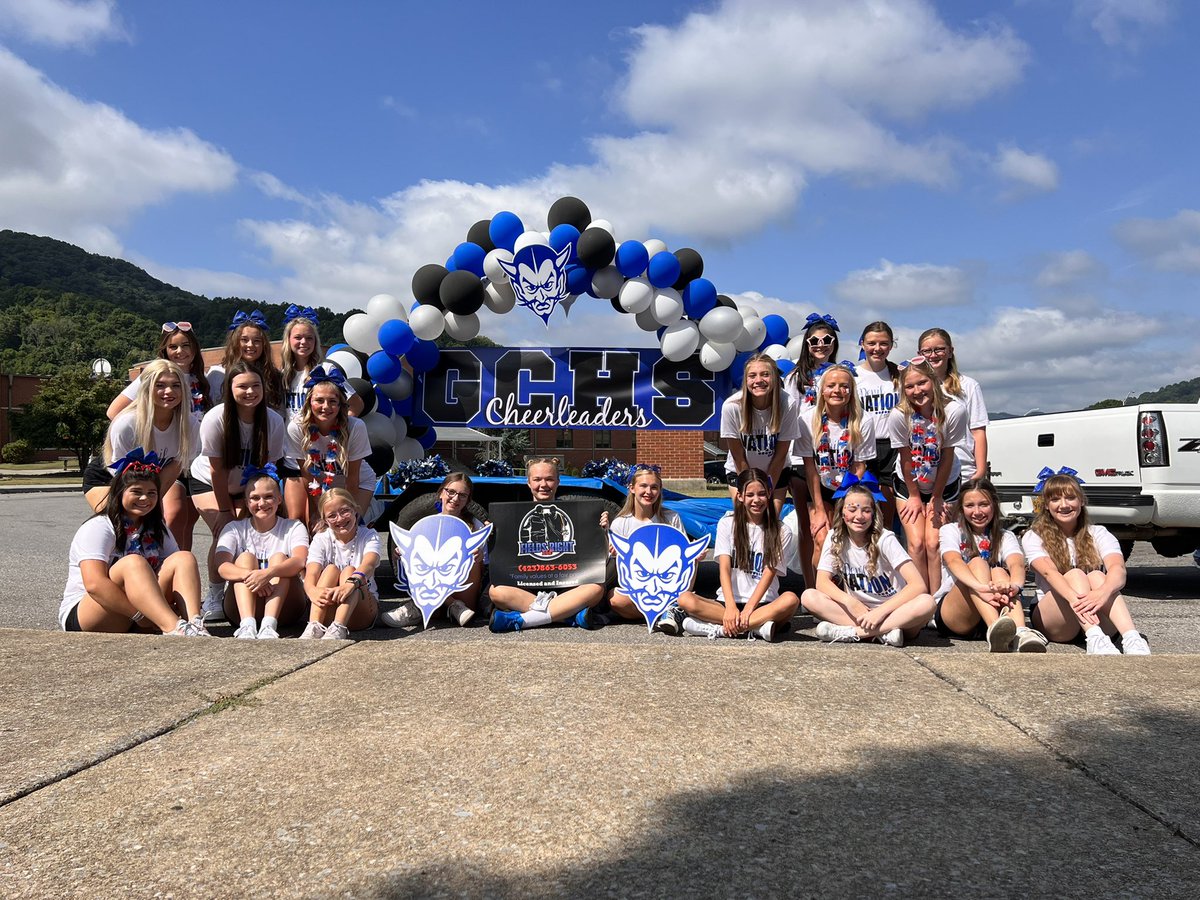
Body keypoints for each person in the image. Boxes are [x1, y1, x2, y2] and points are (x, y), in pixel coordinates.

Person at [61, 449, 207, 636]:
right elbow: (94, 585)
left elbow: (177, 574)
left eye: (151, 493)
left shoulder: (157, 527)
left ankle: (195, 624)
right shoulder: (99, 526)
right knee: (133, 562)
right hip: (90, 613)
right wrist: (140, 616)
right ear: (120, 492)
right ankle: (175, 628)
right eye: (136, 492)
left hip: (139, 611)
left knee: (183, 558)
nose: (145, 498)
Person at [191, 360, 287, 620]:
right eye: (242, 386)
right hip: (209, 482)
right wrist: (224, 509)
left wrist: (252, 503)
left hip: (248, 485)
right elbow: (216, 471)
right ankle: (214, 595)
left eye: (256, 385)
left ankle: (250, 590)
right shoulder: (215, 419)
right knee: (224, 531)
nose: (250, 391)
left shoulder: (273, 421)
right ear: (229, 389)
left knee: (252, 531)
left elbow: (269, 466)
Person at [1022, 469, 1150, 655]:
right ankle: (1094, 637)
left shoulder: (1099, 533)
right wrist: (1078, 602)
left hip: (1097, 612)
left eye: (1071, 498)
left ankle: (1131, 637)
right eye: (1055, 499)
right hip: (1058, 620)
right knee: (1075, 574)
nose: (1064, 505)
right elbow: (1050, 573)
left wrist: (1101, 593)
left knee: (1099, 576)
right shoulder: (1034, 536)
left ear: (1081, 501)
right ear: (1046, 505)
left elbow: (1118, 569)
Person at [802, 474, 935, 647]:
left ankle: (854, 633)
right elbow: (821, 582)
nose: (859, 516)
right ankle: (883, 634)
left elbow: (918, 585)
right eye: (852, 509)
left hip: (895, 612)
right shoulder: (834, 537)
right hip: (858, 612)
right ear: (842, 512)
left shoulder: (885, 538)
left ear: (874, 513)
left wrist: (880, 613)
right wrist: (851, 602)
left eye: (866, 510)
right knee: (808, 596)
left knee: (927, 602)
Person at [675, 467, 800, 642]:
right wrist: (731, 607)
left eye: (762, 494)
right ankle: (756, 628)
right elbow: (724, 569)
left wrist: (749, 608)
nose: (756, 500)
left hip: (762, 603)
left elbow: (769, 573)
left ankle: (723, 629)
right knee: (685, 599)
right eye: (750, 495)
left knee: (791, 600)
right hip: (727, 601)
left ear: (770, 494)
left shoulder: (781, 530)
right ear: (740, 496)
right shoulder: (727, 524)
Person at [84, 361, 195, 554]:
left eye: (175, 385)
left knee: (152, 534)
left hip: (150, 481)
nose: (169, 391)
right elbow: (122, 478)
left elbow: (171, 472)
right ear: (147, 388)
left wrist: (151, 504)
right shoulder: (127, 423)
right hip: (110, 478)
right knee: (121, 529)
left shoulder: (190, 425)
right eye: (160, 385)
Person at [487, 458, 605, 633]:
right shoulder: (511, 516)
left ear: (558, 482)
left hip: (569, 584)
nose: (543, 484)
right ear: (528, 483)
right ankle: (568, 616)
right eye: (537, 479)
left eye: (549, 479)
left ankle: (523, 620)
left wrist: (602, 530)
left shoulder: (577, 515)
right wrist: (492, 535)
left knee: (596, 588)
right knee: (496, 591)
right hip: (526, 585)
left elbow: (596, 555)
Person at [934, 478, 1046, 652]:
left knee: (1001, 572)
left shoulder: (1006, 536)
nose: (977, 512)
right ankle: (996, 627)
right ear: (962, 509)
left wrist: (1014, 586)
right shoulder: (951, 530)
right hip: (956, 614)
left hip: (995, 606)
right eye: (970, 505)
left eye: (984, 504)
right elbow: (953, 560)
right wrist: (981, 588)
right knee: (978, 563)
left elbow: (1016, 564)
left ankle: (1021, 632)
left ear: (994, 504)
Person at [887, 357, 968, 596]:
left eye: (921, 383)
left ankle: (937, 599)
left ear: (932, 380)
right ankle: (919, 598)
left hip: (944, 482)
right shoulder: (899, 415)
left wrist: (936, 497)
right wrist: (914, 496)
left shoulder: (954, 410)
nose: (916, 391)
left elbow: (947, 456)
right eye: (909, 386)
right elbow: (905, 457)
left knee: (934, 543)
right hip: (909, 483)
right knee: (917, 543)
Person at [278, 307, 363, 520]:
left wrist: (336, 429)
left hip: (324, 458)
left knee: (324, 516)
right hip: (295, 456)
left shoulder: (325, 371)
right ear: (288, 340)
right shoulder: (281, 376)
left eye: (309, 338)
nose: (303, 342)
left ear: (315, 342)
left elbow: (356, 404)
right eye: (298, 337)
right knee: (297, 519)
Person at [794, 361, 875, 581]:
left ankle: (847, 592)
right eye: (831, 386)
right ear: (822, 390)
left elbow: (859, 466)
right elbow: (809, 467)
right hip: (820, 486)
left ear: (851, 390)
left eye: (843, 386)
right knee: (821, 538)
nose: (837, 391)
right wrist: (819, 508)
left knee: (846, 541)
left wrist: (845, 506)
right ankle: (823, 595)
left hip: (849, 487)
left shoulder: (863, 420)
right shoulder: (807, 419)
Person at [382, 472, 488, 629]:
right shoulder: (426, 524)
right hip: (434, 589)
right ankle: (449, 606)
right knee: (411, 554)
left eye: (462, 495)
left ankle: (421, 606)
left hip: (464, 589)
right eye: (451, 492)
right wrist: (401, 553)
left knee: (469, 556)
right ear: (441, 493)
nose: (455, 498)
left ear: (467, 500)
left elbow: (485, 564)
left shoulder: (476, 525)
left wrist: (478, 556)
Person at [213, 465, 309, 639]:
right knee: (245, 558)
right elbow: (221, 566)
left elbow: (300, 561)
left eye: (268, 497)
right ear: (247, 502)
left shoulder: (293, 527)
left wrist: (268, 573)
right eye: (255, 498)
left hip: (286, 608)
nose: (262, 503)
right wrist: (253, 576)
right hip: (239, 607)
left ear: (279, 499)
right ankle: (247, 625)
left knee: (280, 558)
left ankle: (268, 625)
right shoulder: (234, 528)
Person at [785, 314, 840, 589]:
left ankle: (830, 584)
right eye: (814, 340)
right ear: (806, 344)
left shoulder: (841, 374)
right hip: (801, 457)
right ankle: (810, 585)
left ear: (834, 342)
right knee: (808, 528)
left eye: (826, 340)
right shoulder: (796, 377)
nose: (821, 345)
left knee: (830, 529)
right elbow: (788, 415)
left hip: (836, 458)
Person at [603, 464, 689, 634]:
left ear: (660, 490)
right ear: (632, 488)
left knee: (692, 557)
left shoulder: (671, 518)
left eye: (654, 487)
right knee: (615, 598)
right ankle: (663, 615)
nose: (648, 492)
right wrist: (614, 552)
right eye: (643, 486)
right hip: (640, 588)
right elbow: (618, 567)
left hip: (670, 586)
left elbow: (685, 558)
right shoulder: (621, 522)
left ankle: (672, 608)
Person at [288, 366, 377, 528]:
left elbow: (353, 478)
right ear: (309, 402)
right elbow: (308, 477)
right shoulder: (296, 428)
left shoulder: (355, 427)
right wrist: (318, 512)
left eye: (332, 401)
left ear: (341, 405)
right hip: (322, 486)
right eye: (319, 400)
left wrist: (343, 512)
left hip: (358, 484)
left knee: (348, 527)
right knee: (318, 529)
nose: (326, 407)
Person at [720, 352, 799, 512]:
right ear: (746, 380)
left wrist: (767, 488)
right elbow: (738, 456)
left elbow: (781, 454)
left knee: (771, 522)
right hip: (741, 471)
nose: (758, 380)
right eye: (752, 376)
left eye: (765, 375)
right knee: (746, 521)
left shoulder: (787, 403)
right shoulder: (732, 406)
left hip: (777, 470)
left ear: (774, 378)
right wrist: (752, 488)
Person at [300, 489, 381, 640]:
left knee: (349, 571)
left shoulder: (369, 535)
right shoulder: (321, 538)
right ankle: (314, 625)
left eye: (345, 511)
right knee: (330, 570)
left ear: (355, 510)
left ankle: (339, 627)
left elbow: (370, 563)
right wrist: (311, 591)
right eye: (332, 515)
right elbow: (311, 572)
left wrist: (350, 584)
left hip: (361, 611)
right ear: (324, 520)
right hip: (329, 607)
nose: (340, 519)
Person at [918, 328, 989, 482]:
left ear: (950, 351)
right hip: (924, 469)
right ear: (919, 355)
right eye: (927, 351)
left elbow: (978, 431)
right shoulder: (913, 388)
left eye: (939, 349)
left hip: (962, 469)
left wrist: (980, 471)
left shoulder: (968, 385)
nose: (933, 355)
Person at [855, 321, 901, 527]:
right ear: (862, 344)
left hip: (893, 447)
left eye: (884, 344)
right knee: (863, 509)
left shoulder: (900, 374)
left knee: (887, 513)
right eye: (872, 343)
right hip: (862, 446)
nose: (877, 348)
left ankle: (886, 555)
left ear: (891, 346)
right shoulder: (853, 376)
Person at [206, 309, 285, 412]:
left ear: (264, 345)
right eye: (244, 340)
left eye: (257, 341)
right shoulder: (218, 374)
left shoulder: (274, 376)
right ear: (234, 342)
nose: (250, 345)